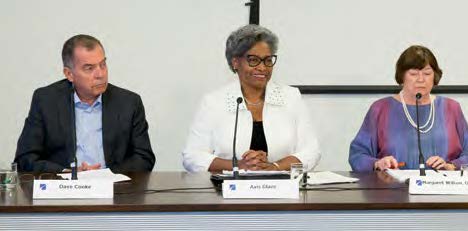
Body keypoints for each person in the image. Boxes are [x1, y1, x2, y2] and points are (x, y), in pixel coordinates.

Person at [182, 24, 320, 172]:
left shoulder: (291, 97)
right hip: (227, 190)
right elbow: (192, 156)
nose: (262, 68)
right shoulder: (214, 102)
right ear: (235, 62)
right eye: (253, 60)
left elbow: (311, 152)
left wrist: (274, 167)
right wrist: (238, 166)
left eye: (268, 60)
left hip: (282, 188)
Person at [15, 34, 155, 173]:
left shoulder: (129, 103)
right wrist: (67, 173)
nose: (100, 74)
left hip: (114, 190)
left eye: (103, 64)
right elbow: (25, 158)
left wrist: (104, 175)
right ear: (69, 74)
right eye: (89, 68)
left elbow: (144, 158)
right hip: (64, 190)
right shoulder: (46, 100)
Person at [349, 45, 468, 172]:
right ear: (402, 76)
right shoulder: (380, 109)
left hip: (443, 189)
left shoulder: (451, 108)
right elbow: (357, 155)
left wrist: (450, 166)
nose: (421, 79)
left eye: (427, 73)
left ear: (435, 77)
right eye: (413, 74)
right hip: (392, 190)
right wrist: (378, 164)